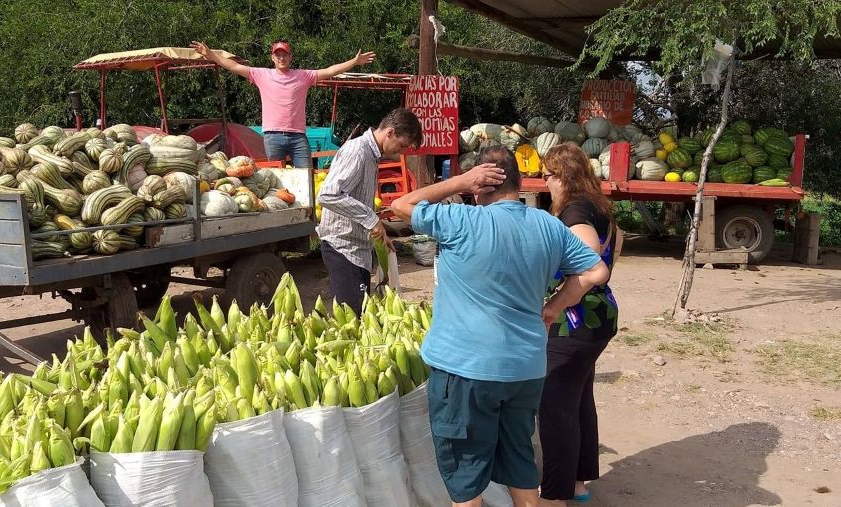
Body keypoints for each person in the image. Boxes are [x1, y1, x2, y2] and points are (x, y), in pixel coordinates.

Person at [391, 145, 609, 507]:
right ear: (518, 183)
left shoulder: (462, 220)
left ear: (479, 185)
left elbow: (401, 205)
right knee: (519, 460)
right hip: (525, 369)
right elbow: (596, 271)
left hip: (466, 370)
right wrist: (553, 307)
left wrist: (458, 182)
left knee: (466, 471)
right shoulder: (547, 225)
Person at [537, 143, 620, 507]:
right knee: (579, 400)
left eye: (547, 176)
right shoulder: (599, 206)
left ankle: (555, 495)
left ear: (563, 177)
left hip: (574, 322)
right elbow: (613, 255)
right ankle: (577, 484)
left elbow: (590, 268)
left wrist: (555, 304)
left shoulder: (574, 212)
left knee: (555, 407)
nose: (545, 183)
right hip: (598, 316)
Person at [191, 39, 376, 168]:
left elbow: (329, 71)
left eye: (284, 54)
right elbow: (234, 66)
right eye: (277, 55)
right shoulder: (261, 75)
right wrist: (210, 54)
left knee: (305, 176)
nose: (281, 58)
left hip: (298, 137)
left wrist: (354, 62)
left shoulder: (303, 76)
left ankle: (307, 210)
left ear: (290, 57)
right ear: (272, 58)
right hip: (273, 136)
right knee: (276, 176)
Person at [316, 108, 422, 314]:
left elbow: (357, 200)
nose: (401, 152)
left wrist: (379, 234)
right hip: (343, 248)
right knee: (350, 317)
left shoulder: (372, 155)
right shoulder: (358, 151)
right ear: (390, 132)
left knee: (360, 313)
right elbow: (328, 195)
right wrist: (371, 219)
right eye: (402, 145)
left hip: (357, 248)